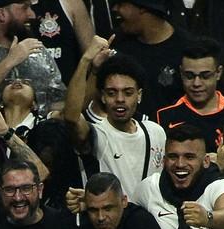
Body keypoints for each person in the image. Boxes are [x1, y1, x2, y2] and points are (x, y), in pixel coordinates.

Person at [64, 43, 166, 199]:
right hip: (108, 213)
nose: (120, 99)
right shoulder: (97, 133)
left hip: (152, 214)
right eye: (112, 93)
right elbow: (71, 117)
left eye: (128, 93)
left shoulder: (156, 131)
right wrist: (85, 60)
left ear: (139, 95)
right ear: (103, 96)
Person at [134, 124, 224, 229]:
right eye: (173, 157)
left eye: (189, 157)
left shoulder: (221, 186)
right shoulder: (150, 187)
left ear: (206, 161)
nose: (180, 164)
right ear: (164, 161)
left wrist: (208, 218)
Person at [155, 37, 224, 153]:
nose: (196, 83)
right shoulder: (164, 117)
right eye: (189, 76)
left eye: (205, 76)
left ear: (218, 73)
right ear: (181, 73)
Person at [109, 0, 189, 119]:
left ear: (143, 7)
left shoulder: (187, 49)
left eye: (121, 4)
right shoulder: (115, 43)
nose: (115, 9)